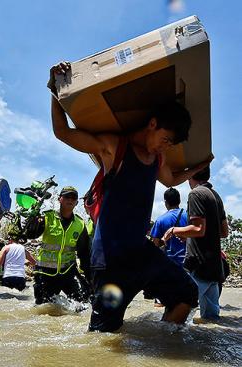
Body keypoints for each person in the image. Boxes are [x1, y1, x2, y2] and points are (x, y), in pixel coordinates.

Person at [48, 61, 211, 332]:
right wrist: (55, 91)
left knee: (186, 294)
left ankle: (160, 347)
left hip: (140, 253)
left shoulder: (157, 158)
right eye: (166, 139)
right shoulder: (115, 147)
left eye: (171, 144)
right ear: (153, 123)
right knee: (103, 337)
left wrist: (198, 167)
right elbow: (63, 133)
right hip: (109, 260)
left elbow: (171, 179)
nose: (167, 146)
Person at [163, 167, 228, 320]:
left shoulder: (196, 193)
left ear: (190, 175)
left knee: (173, 317)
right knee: (210, 320)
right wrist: (190, 236)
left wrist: (174, 230)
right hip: (214, 267)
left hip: (198, 265)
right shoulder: (215, 195)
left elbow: (198, 228)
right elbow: (223, 232)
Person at [30, 186, 91, 304]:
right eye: (67, 196)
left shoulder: (80, 224)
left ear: (77, 202)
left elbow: (84, 253)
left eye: (73, 197)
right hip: (45, 273)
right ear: (59, 199)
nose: (70, 199)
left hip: (68, 273)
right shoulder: (47, 217)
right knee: (44, 309)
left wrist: (89, 277)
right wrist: (33, 219)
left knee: (81, 305)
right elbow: (31, 234)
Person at [150, 188, 188, 267]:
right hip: (189, 264)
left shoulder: (160, 220)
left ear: (166, 202)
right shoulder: (189, 216)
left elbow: (155, 246)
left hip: (170, 265)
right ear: (179, 200)